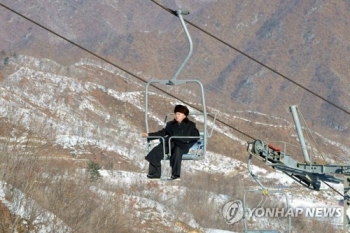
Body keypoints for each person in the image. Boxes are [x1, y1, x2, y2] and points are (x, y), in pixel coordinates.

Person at [142, 104, 199, 180]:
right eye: (176, 114)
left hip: (181, 145)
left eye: (179, 114)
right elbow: (162, 133)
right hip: (169, 143)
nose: (176, 116)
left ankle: (175, 174)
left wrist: (187, 142)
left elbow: (195, 136)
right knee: (156, 151)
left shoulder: (190, 125)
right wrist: (149, 135)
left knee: (177, 151)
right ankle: (155, 173)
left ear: (184, 116)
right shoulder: (170, 124)